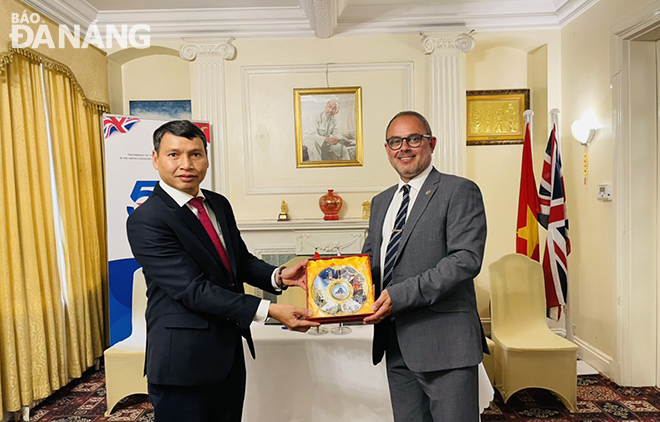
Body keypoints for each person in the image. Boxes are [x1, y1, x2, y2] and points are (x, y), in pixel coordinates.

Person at [126, 120, 319, 422]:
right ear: (155, 159)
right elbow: (193, 290)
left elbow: (238, 261)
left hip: (227, 356)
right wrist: (270, 310)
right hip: (183, 364)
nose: (186, 164)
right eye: (174, 155)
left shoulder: (218, 204)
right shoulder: (147, 219)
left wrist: (279, 276)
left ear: (206, 158)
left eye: (196, 154)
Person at [362, 111, 488, 421]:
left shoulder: (459, 190)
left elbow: (464, 261)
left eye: (413, 139)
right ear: (387, 149)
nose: (403, 148)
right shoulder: (381, 201)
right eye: (395, 141)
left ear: (431, 143)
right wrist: (330, 286)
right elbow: (369, 263)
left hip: (445, 343)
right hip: (395, 341)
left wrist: (400, 295)